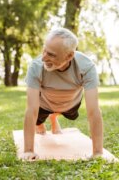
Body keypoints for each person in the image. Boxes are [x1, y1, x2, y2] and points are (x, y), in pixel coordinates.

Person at [21, 27, 103, 160]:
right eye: (44, 50)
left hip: (70, 105)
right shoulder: (36, 66)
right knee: (37, 122)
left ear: (69, 55)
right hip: (44, 105)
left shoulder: (86, 67)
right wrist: (28, 151)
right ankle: (44, 120)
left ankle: (53, 117)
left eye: (51, 55)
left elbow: (93, 111)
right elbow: (31, 109)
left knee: (70, 115)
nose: (43, 58)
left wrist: (98, 152)